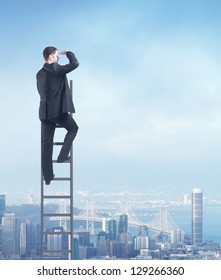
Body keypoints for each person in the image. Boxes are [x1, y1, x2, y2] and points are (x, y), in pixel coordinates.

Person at [36, 46, 79, 185]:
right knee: (73, 128)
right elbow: (75, 64)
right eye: (56, 55)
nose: (57, 57)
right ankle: (62, 156)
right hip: (57, 112)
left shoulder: (39, 74)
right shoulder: (55, 69)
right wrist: (69, 53)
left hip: (44, 113)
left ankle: (47, 177)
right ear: (50, 57)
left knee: (46, 145)